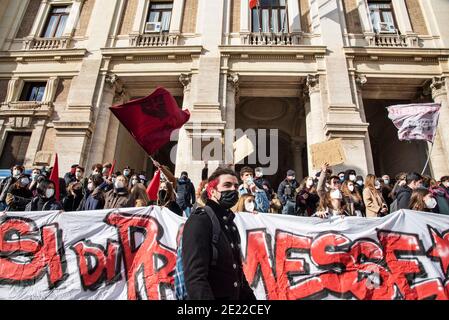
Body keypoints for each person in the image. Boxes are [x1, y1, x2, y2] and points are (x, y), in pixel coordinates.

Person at [180, 167, 256, 300]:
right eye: (227, 185)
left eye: (236, 186)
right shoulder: (200, 220)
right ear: (212, 191)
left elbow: (237, 274)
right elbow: (195, 278)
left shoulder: (229, 224)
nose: (233, 189)